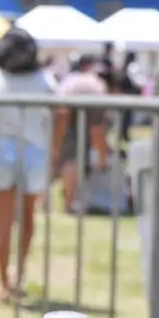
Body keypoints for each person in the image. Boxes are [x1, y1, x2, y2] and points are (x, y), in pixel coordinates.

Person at [0, 28, 53, 302]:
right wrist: (53, 146)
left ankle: (5, 281)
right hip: (34, 151)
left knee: (4, 220)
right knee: (28, 216)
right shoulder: (42, 80)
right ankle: (17, 274)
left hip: (3, 151)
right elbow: (61, 111)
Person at [55, 55, 111, 214]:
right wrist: (102, 157)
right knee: (73, 159)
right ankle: (69, 203)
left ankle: (48, 201)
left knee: (62, 156)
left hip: (62, 113)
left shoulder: (73, 79)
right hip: (72, 114)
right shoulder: (98, 87)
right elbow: (97, 129)